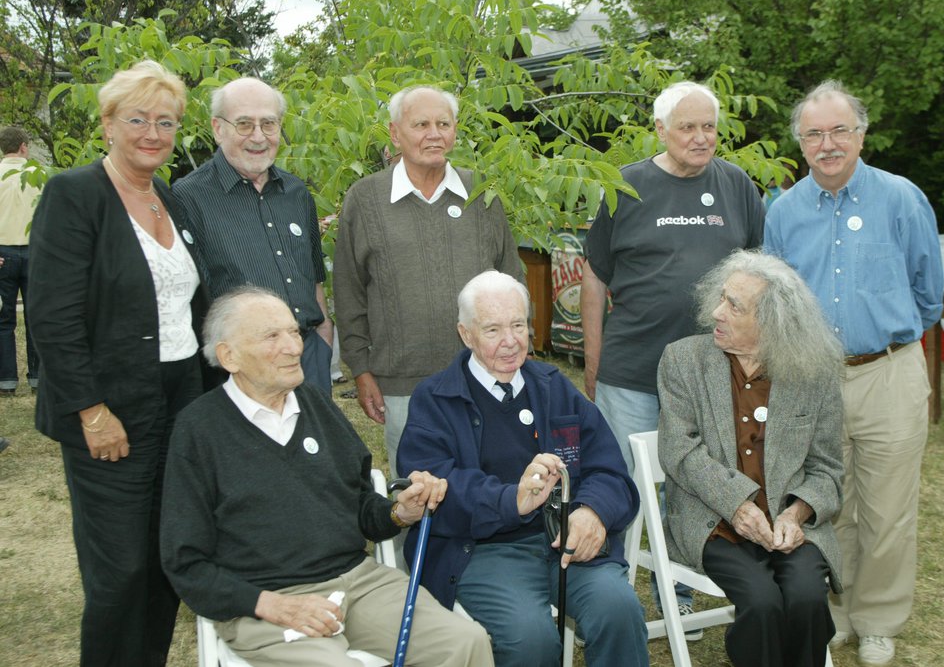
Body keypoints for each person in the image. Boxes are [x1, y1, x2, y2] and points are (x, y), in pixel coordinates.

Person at [160, 287, 492, 667]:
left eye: (294, 332)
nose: (294, 347)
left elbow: (361, 504)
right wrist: (270, 605)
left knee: (465, 642)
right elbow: (185, 561)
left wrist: (401, 512)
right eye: (272, 336)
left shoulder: (316, 404)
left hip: (359, 583)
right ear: (228, 356)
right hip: (264, 602)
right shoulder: (199, 430)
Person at [27, 60, 204, 667]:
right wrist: (91, 410)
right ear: (107, 124)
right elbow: (52, 317)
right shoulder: (75, 195)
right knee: (120, 568)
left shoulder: (171, 200)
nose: (152, 133)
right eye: (137, 119)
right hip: (109, 408)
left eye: (166, 122)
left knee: (165, 556)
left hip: (181, 401)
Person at [763, 80, 943, 666]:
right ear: (800, 143)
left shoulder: (901, 198)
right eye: (814, 134)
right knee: (822, 503)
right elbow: (777, 299)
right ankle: (833, 614)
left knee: (889, 509)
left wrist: (885, 339)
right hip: (811, 379)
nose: (828, 143)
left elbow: (928, 294)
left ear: (861, 134)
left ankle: (879, 619)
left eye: (840, 130)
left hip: (889, 371)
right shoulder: (783, 212)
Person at [580, 80, 764, 628]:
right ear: (660, 130)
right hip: (633, 372)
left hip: (715, 376)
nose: (701, 137)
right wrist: (593, 362)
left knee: (701, 484)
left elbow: (759, 276)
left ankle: (677, 586)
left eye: (709, 126)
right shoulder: (627, 186)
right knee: (623, 488)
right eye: (688, 126)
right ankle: (606, 594)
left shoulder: (737, 186)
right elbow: (593, 278)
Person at [397, 270, 648, 667]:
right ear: (465, 334)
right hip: (481, 551)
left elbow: (610, 469)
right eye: (493, 329)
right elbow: (434, 491)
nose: (511, 341)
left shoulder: (553, 386)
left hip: (562, 541)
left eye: (518, 325)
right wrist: (510, 499)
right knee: (530, 640)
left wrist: (592, 511)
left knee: (619, 610)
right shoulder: (435, 399)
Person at [658, 249, 844, 667]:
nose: (716, 312)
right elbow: (680, 450)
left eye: (733, 306)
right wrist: (738, 504)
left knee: (807, 597)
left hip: (786, 524)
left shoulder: (813, 373)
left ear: (773, 322)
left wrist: (795, 515)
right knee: (761, 603)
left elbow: (828, 468)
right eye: (721, 298)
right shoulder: (683, 360)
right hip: (715, 521)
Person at [333, 85, 523, 473]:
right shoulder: (366, 199)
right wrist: (362, 370)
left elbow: (512, 279)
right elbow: (349, 292)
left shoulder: (480, 193)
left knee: (493, 483)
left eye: (443, 123)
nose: (434, 134)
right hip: (404, 384)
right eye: (420, 124)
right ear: (394, 133)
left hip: (485, 374)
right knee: (419, 493)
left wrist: (518, 347)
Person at [173, 77, 334, 394]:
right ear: (218, 128)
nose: (258, 137)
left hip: (309, 356)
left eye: (268, 124)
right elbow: (190, 297)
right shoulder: (188, 197)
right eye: (244, 124)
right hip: (244, 366)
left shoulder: (296, 193)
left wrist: (324, 338)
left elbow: (312, 276)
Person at [0, 125, 41, 396]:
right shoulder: (38, 176)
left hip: (2, 253)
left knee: (4, 321)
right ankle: (38, 378)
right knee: (36, 317)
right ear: (24, 146)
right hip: (34, 252)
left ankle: (6, 381)